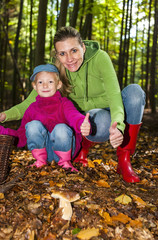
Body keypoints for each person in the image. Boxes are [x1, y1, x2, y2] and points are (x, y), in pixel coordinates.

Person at [0, 27, 146, 183]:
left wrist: (118, 126)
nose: (69, 59)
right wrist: (5, 115)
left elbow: (115, 94)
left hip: (109, 106)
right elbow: (30, 103)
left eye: (74, 50)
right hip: (84, 118)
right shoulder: (55, 71)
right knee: (100, 123)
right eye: (62, 53)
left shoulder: (100, 58)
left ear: (83, 47)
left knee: (135, 93)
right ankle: (82, 148)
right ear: (57, 55)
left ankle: (124, 160)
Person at [0, 64, 91, 172]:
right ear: (34, 86)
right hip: (45, 152)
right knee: (33, 125)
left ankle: (65, 163)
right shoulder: (32, 108)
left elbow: (74, 116)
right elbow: (21, 136)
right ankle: (40, 161)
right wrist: (3, 131)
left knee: (61, 128)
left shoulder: (64, 103)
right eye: (40, 82)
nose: (45, 85)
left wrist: (82, 124)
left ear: (59, 85)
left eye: (50, 82)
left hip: (65, 148)